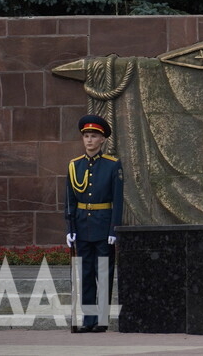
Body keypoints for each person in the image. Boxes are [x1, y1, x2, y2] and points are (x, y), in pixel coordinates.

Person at [65, 114, 123, 332]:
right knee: (86, 275)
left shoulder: (112, 165)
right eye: (86, 136)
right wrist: (70, 229)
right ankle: (88, 321)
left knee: (103, 274)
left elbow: (117, 200)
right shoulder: (74, 166)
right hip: (82, 227)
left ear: (102, 140)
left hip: (103, 226)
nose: (89, 140)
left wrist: (113, 229)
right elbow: (69, 200)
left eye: (94, 136)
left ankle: (101, 321)